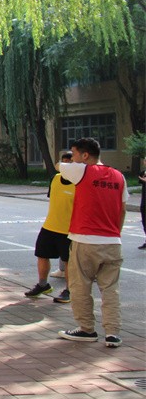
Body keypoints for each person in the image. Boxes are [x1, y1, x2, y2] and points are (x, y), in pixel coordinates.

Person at [57, 137, 127, 348]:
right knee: (111, 289)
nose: (73, 159)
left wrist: (71, 163)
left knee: (80, 286)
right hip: (113, 241)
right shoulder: (119, 176)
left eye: (75, 154)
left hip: (84, 240)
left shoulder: (82, 171)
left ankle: (86, 329)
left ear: (85, 155)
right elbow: (122, 210)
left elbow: (59, 166)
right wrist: (115, 233)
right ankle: (112, 333)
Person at [24, 151, 75, 302]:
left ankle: (70, 290)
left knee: (68, 261)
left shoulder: (79, 183)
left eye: (70, 163)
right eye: (64, 162)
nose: (66, 166)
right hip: (50, 226)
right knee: (41, 254)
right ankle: (43, 285)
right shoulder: (55, 179)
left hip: (69, 230)